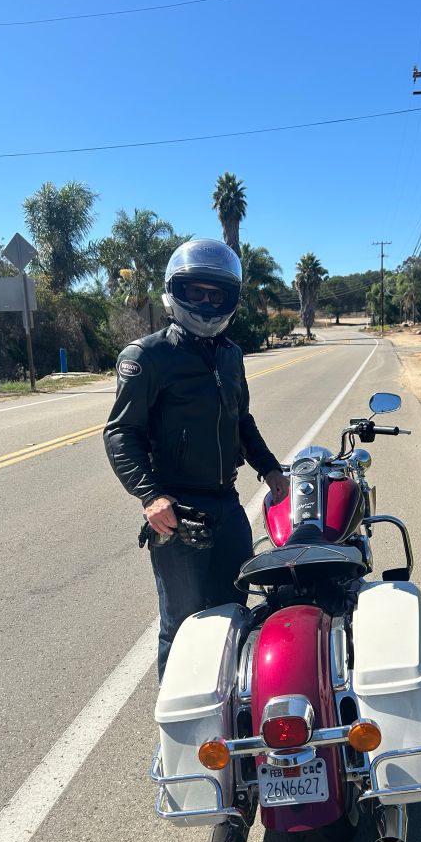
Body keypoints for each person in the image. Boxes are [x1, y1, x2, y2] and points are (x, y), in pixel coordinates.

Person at [103, 238, 289, 680]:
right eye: (195, 292)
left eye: (215, 294)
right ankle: (175, 720)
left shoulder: (230, 354)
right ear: (176, 291)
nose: (206, 303)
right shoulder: (147, 356)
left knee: (235, 610)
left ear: (229, 298)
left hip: (227, 503)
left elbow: (241, 420)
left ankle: (227, 702)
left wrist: (269, 468)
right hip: (178, 511)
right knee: (183, 622)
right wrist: (151, 496)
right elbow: (121, 433)